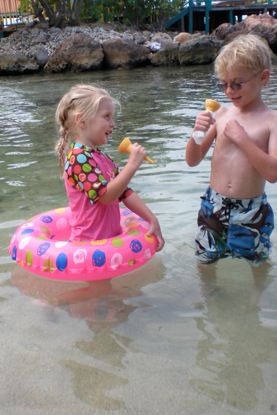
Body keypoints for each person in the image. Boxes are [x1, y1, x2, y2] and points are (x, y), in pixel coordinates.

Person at [185, 34, 277, 265]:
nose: (229, 91)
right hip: (213, 204)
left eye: (237, 84)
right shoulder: (222, 114)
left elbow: (273, 174)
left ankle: (254, 302)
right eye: (224, 84)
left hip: (251, 210)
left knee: (256, 262)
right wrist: (196, 132)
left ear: (263, 77)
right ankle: (209, 298)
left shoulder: (272, 121)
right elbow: (193, 160)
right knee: (205, 259)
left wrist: (242, 139)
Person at [55, 84, 164, 251]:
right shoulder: (78, 158)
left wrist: (151, 219)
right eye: (107, 117)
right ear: (82, 120)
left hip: (110, 242)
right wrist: (132, 164)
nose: (112, 124)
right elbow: (105, 196)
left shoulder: (102, 158)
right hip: (88, 245)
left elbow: (124, 192)